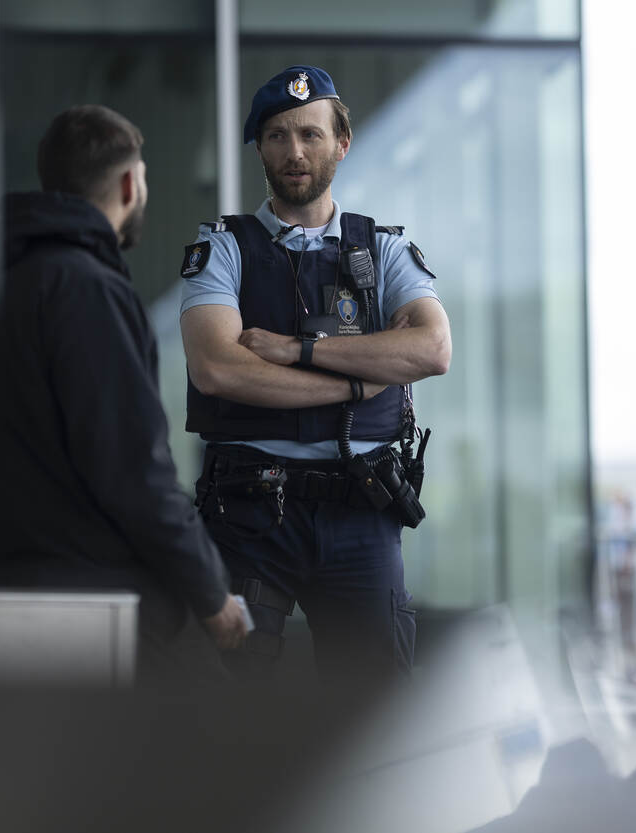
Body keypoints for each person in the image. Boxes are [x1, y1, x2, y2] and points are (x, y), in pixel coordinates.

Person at [0, 105, 247, 684]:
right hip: (105, 618)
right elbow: (134, 467)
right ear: (131, 184)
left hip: (4, 605)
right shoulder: (85, 289)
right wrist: (211, 594)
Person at [178, 66, 451, 684]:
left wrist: (297, 351)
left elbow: (431, 350)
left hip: (360, 511)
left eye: (310, 134)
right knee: (226, 708)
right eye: (276, 136)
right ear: (260, 148)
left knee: (375, 716)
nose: (294, 151)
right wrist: (358, 380)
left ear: (342, 143)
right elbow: (218, 367)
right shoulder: (223, 248)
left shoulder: (382, 251)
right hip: (248, 515)